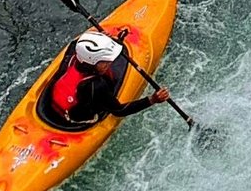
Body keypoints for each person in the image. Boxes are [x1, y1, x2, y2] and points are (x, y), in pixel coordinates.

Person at [38, 30, 167, 131]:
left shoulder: (73, 54)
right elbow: (120, 111)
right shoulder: (96, 86)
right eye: (105, 62)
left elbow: (76, 43)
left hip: (57, 105)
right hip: (76, 119)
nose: (110, 62)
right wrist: (152, 100)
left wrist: (101, 39)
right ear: (92, 62)